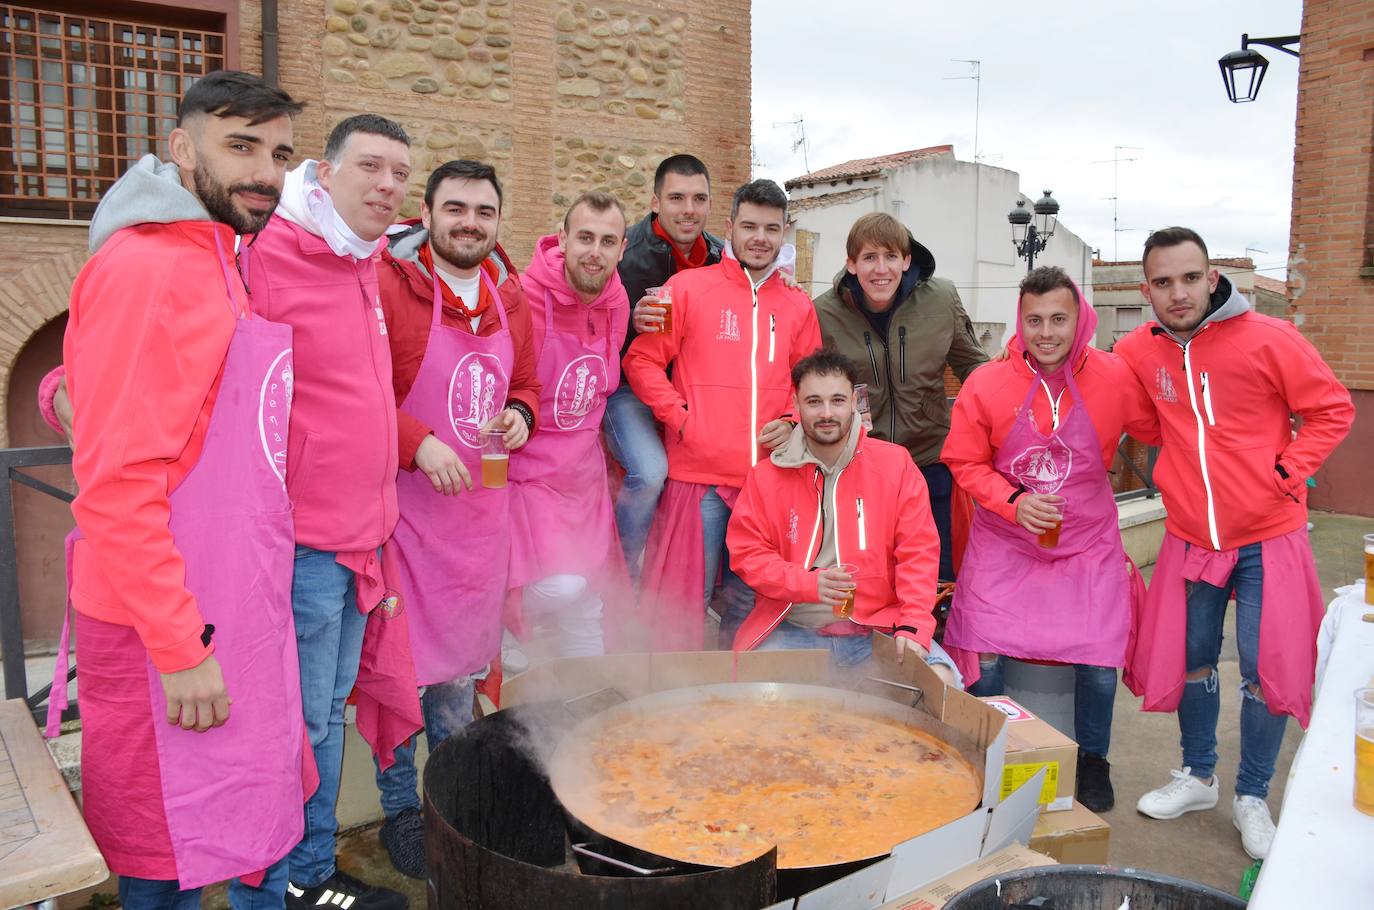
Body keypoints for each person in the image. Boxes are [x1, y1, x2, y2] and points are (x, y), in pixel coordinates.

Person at [56, 71, 307, 908]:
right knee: (165, 865)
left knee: (228, 837)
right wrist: (180, 648)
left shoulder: (217, 256)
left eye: (278, 154)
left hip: (225, 606)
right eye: (240, 147)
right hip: (163, 626)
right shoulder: (155, 267)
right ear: (179, 149)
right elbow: (118, 488)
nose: (264, 173)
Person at [1117, 227, 1354, 859]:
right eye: (1163, 282)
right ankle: (1198, 777)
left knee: (1262, 668)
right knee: (1193, 661)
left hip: (1265, 538)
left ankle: (1252, 794)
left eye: (1189, 278)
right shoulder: (1140, 350)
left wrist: (1284, 471)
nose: (1178, 293)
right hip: (1193, 538)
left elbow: (1332, 409)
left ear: (1212, 278)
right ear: (1147, 291)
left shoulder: (1270, 338)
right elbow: (1140, 415)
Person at [243, 115, 414, 910]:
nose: (388, 185)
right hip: (309, 545)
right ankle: (286, 885)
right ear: (324, 172)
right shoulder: (267, 253)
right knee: (303, 729)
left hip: (363, 541)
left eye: (400, 173)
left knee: (328, 721)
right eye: (372, 167)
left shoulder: (364, 261)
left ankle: (311, 872)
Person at [371, 159, 538, 878]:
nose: (470, 222)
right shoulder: (388, 285)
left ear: (499, 221)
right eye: (456, 208)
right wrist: (418, 442)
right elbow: (356, 390)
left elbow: (525, 379)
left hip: (477, 524)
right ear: (429, 213)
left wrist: (522, 414)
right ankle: (399, 812)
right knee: (394, 672)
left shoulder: (511, 297)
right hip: (404, 519)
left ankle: (450, 803)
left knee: (458, 678)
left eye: (483, 211)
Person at [940, 266, 1160, 812]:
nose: (1046, 332)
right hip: (1005, 539)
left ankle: (1093, 761)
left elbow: (1167, 428)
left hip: (1087, 542)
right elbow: (963, 462)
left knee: (1099, 655)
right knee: (981, 647)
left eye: (1058, 319)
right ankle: (989, 752)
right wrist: (1014, 502)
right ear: (1021, 321)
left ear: (1079, 318)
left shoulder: (1115, 377)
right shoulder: (986, 382)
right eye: (1034, 320)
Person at [623, 178, 822, 650]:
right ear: (729, 227)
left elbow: (810, 381)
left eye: (771, 229)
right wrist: (683, 417)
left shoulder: (798, 305)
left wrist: (793, 420)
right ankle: (675, 705)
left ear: (783, 234)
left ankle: (738, 703)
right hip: (701, 482)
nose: (759, 238)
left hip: (770, 483)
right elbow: (642, 360)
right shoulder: (686, 288)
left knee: (751, 606)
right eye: (749, 226)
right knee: (680, 611)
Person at [727, 348, 962, 685]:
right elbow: (747, 555)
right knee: (757, 696)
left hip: (877, 630)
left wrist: (914, 624)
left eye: (837, 400)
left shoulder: (895, 464)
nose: (826, 413)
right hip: (795, 630)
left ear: (854, 401)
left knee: (940, 680)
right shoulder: (766, 475)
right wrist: (809, 582)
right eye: (813, 401)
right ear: (795, 403)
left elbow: (918, 552)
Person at [812, 213, 988, 581]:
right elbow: (809, 385)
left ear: (906, 261)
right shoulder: (824, 312)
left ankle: (929, 636)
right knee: (871, 576)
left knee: (936, 573)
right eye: (869, 257)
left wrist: (1005, 410)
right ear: (851, 264)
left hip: (928, 460)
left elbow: (973, 367)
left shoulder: (941, 299)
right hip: (861, 464)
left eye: (891, 256)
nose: (881, 269)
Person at [509, 192, 630, 658]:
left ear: (622, 249)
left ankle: (589, 710)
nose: (594, 252)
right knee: (561, 586)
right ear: (562, 239)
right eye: (584, 238)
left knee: (589, 600)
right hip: (530, 473)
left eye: (607, 241)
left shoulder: (619, 304)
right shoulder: (520, 297)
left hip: (585, 478)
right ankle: (504, 619)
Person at [605, 154, 724, 577]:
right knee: (652, 472)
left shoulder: (721, 257)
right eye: (676, 198)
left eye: (698, 198)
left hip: (691, 392)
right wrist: (628, 326)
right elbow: (587, 324)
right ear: (656, 202)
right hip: (627, 391)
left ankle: (683, 590)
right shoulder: (624, 254)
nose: (688, 209)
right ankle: (618, 575)